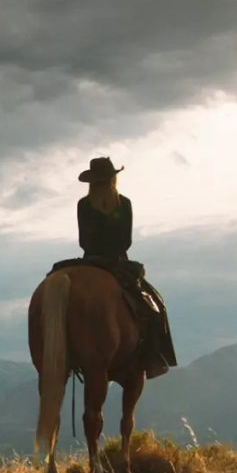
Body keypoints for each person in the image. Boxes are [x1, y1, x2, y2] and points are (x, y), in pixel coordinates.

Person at [76, 157, 177, 378]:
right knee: (154, 304)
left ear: (91, 181)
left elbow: (83, 241)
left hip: (89, 260)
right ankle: (153, 358)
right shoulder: (124, 203)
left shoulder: (83, 204)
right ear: (113, 179)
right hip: (116, 262)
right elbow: (126, 242)